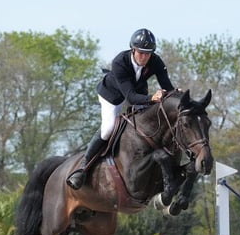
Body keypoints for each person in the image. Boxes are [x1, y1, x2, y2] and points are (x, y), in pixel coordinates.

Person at [66, 28, 176, 189]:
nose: (145, 57)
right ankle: (82, 168)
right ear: (133, 50)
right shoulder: (120, 62)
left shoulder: (155, 61)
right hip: (112, 96)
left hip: (138, 92)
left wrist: (175, 94)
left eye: (148, 53)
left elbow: (167, 86)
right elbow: (130, 97)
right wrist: (152, 98)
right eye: (141, 53)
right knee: (108, 128)